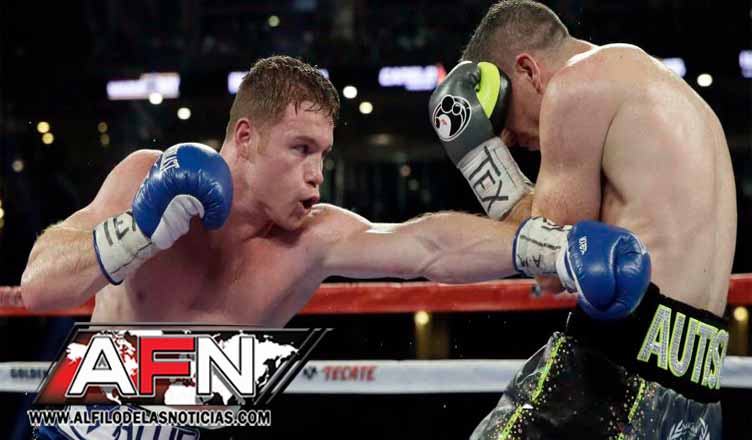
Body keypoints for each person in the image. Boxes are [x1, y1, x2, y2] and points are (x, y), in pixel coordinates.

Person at [22, 56, 648, 439]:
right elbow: (38, 285)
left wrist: (549, 247)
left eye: (322, 154)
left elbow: (425, 245)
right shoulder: (145, 178)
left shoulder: (310, 239)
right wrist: (136, 233)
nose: (316, 174)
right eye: (300, 149)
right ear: (245, 138)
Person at [428, 1, 736, 438]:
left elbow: (549, 264)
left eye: (502, 114)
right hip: (699, 397)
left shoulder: (575, 84)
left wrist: (479, 156)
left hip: (617, 376)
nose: (508, 138)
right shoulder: (675, 95)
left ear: (528, 70)